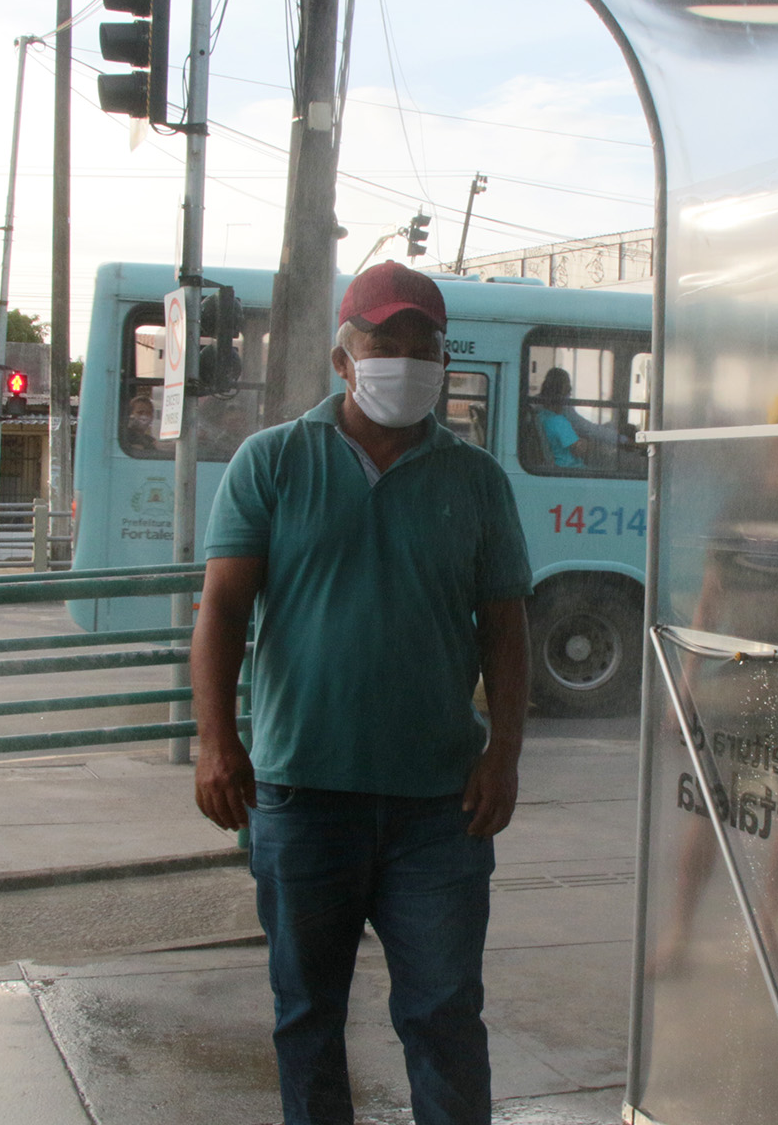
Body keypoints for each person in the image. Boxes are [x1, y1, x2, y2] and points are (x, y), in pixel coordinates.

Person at [191, 260, 532, 1125]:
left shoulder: (478, 480)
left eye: (426, 346)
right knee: (306, 1016)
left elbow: (506, 630)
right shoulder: (273, 461)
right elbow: (224, 610)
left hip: (439, 808)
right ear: (344, 358)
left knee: (444, 1014)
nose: (407, 360)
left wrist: (505, 754)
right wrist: (217, 740)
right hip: (304, 794)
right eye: (387, 343)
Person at [531, 367, 626, 469]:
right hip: (571, 469)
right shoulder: (559, 421)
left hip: (559, 465)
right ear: (561, 397)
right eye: (567, 392)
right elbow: (579, 449)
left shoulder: (541, 415)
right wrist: (587, 444)